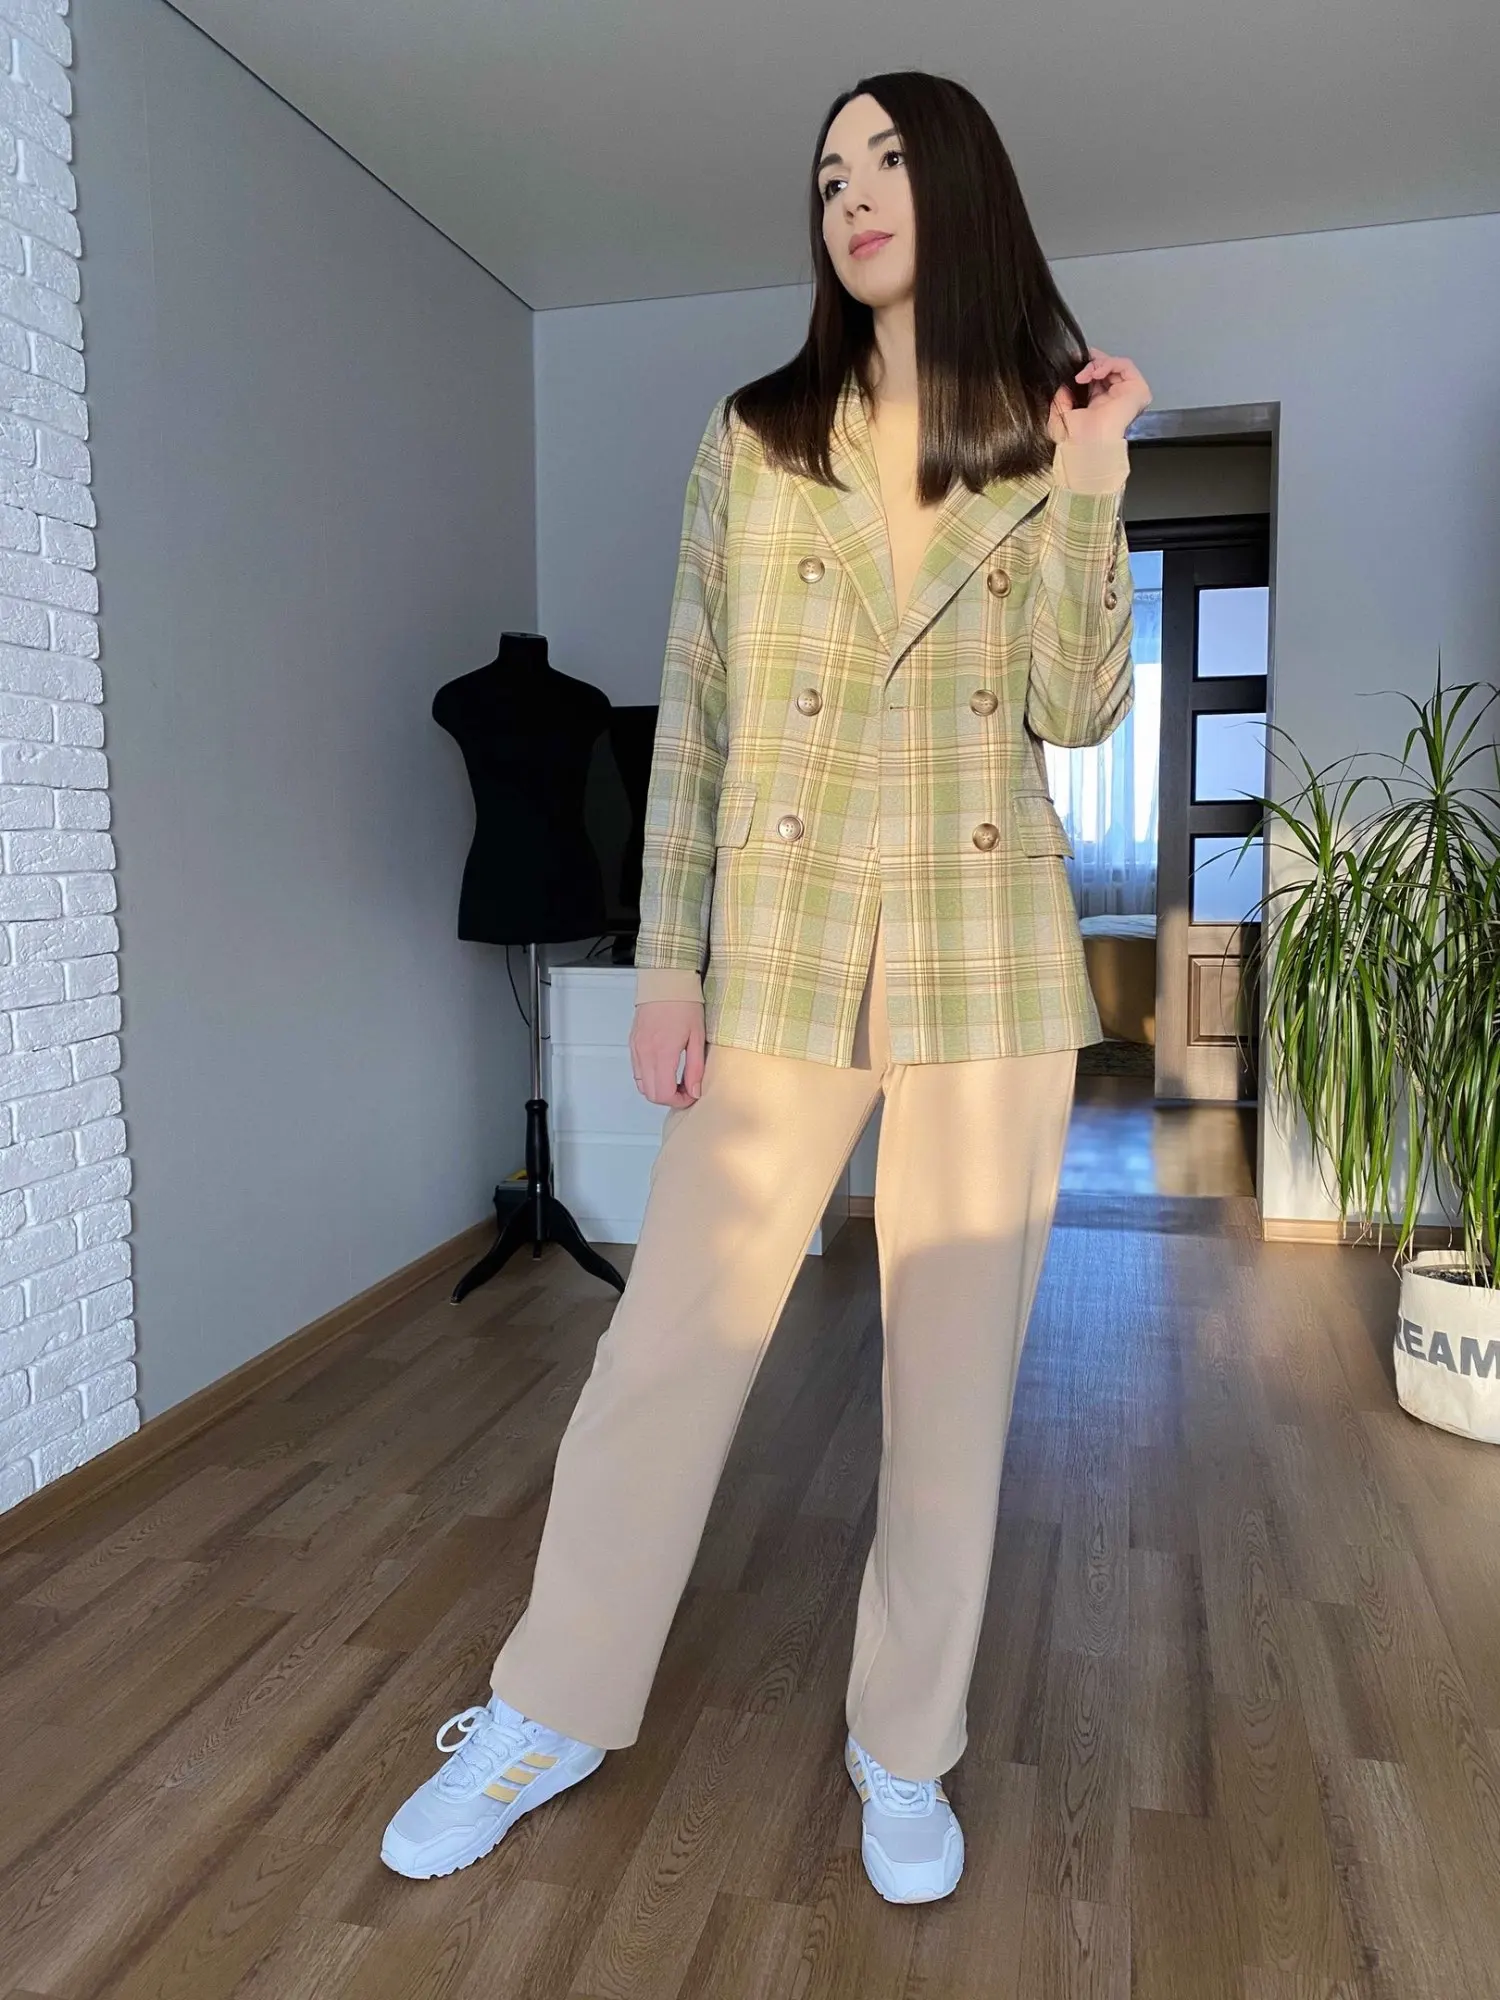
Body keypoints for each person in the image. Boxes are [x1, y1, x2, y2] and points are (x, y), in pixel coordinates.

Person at [382, 68, 1149, 1905]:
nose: (851, 195)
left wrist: (1094, 487)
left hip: (982, 965)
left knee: (953, 1389)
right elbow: (704, 722)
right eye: (826, 176)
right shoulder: (757, 435)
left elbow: (1077, 708)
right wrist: (671, 967)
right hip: (789, 948)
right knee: (668, 1346)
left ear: (961, 184)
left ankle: (907, 1744)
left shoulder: (1042, 440)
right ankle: (552, 1706)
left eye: (887, 160)